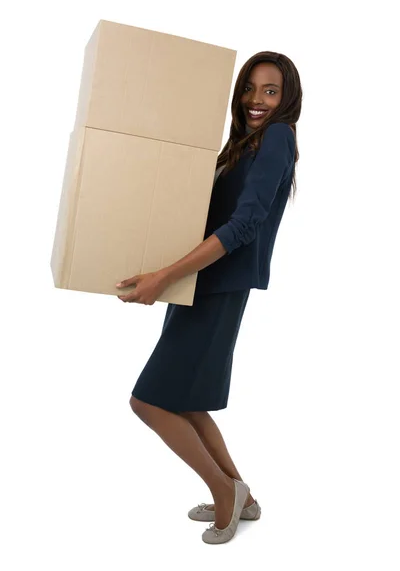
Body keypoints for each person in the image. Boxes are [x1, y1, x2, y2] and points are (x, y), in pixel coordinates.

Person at [116, 51, 302, 544]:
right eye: (249, 89)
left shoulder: (278, 137)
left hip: (219, 283)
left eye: (270, 91)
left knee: (148, 402)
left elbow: (245, 224)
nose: (256, 100)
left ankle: (223, 491)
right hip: (201, 282)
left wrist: (164, 276)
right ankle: (245, 494)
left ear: (287, 100)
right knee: (187, 400)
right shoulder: (240, 145)